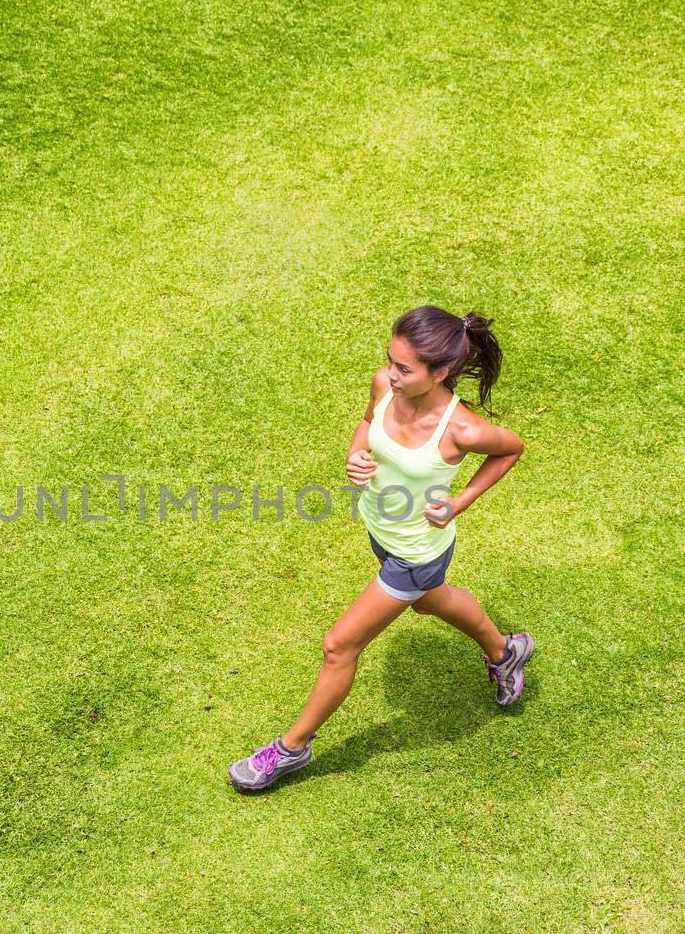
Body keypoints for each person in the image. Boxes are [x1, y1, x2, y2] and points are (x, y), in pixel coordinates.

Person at [228, 305, 534, 793]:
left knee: (339, 645)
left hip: (415, 552)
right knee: (431, 602)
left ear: (442, 373)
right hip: (379, 529)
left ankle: (290, 750)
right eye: (390, 361)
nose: (391, 374)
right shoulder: (384, 387)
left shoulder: (462, 430)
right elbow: (366, 424)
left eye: (405, 369)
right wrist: (356, 455)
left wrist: (458, 502)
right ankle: (505, 651)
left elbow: (511, 449)